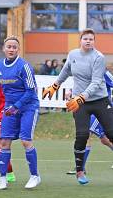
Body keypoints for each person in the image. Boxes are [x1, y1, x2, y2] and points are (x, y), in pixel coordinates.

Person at [43, 28, 113, 185]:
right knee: (82, 135)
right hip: (80, 103)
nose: (88, 41)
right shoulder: (73, 54)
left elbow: (96, 83)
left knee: (110, 133)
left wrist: (81, 97)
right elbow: (66, 70)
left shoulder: (98, 57)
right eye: (85, 38)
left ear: (94, 41)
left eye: (91, 39)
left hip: (99, 100)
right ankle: (80, 171)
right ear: (80, 40)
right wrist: (54, 86)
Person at [0, 36, 40, 190]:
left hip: (28, 107)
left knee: (25, 140)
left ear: (18, 50)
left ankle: (34, 176)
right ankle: (3, 177)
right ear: (3, 49)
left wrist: (16, 106)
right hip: (10, 108)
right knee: (4, 141)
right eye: (8, 47)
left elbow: (31, 91)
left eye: (14, 47)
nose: (11, 49)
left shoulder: (24, 67)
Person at [66, 69, 113, 174]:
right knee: (104, 140)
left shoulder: (104, 73)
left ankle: (81, 168)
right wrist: (70, 91)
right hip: (87, 108)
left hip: (101, 107)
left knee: (88, 134)